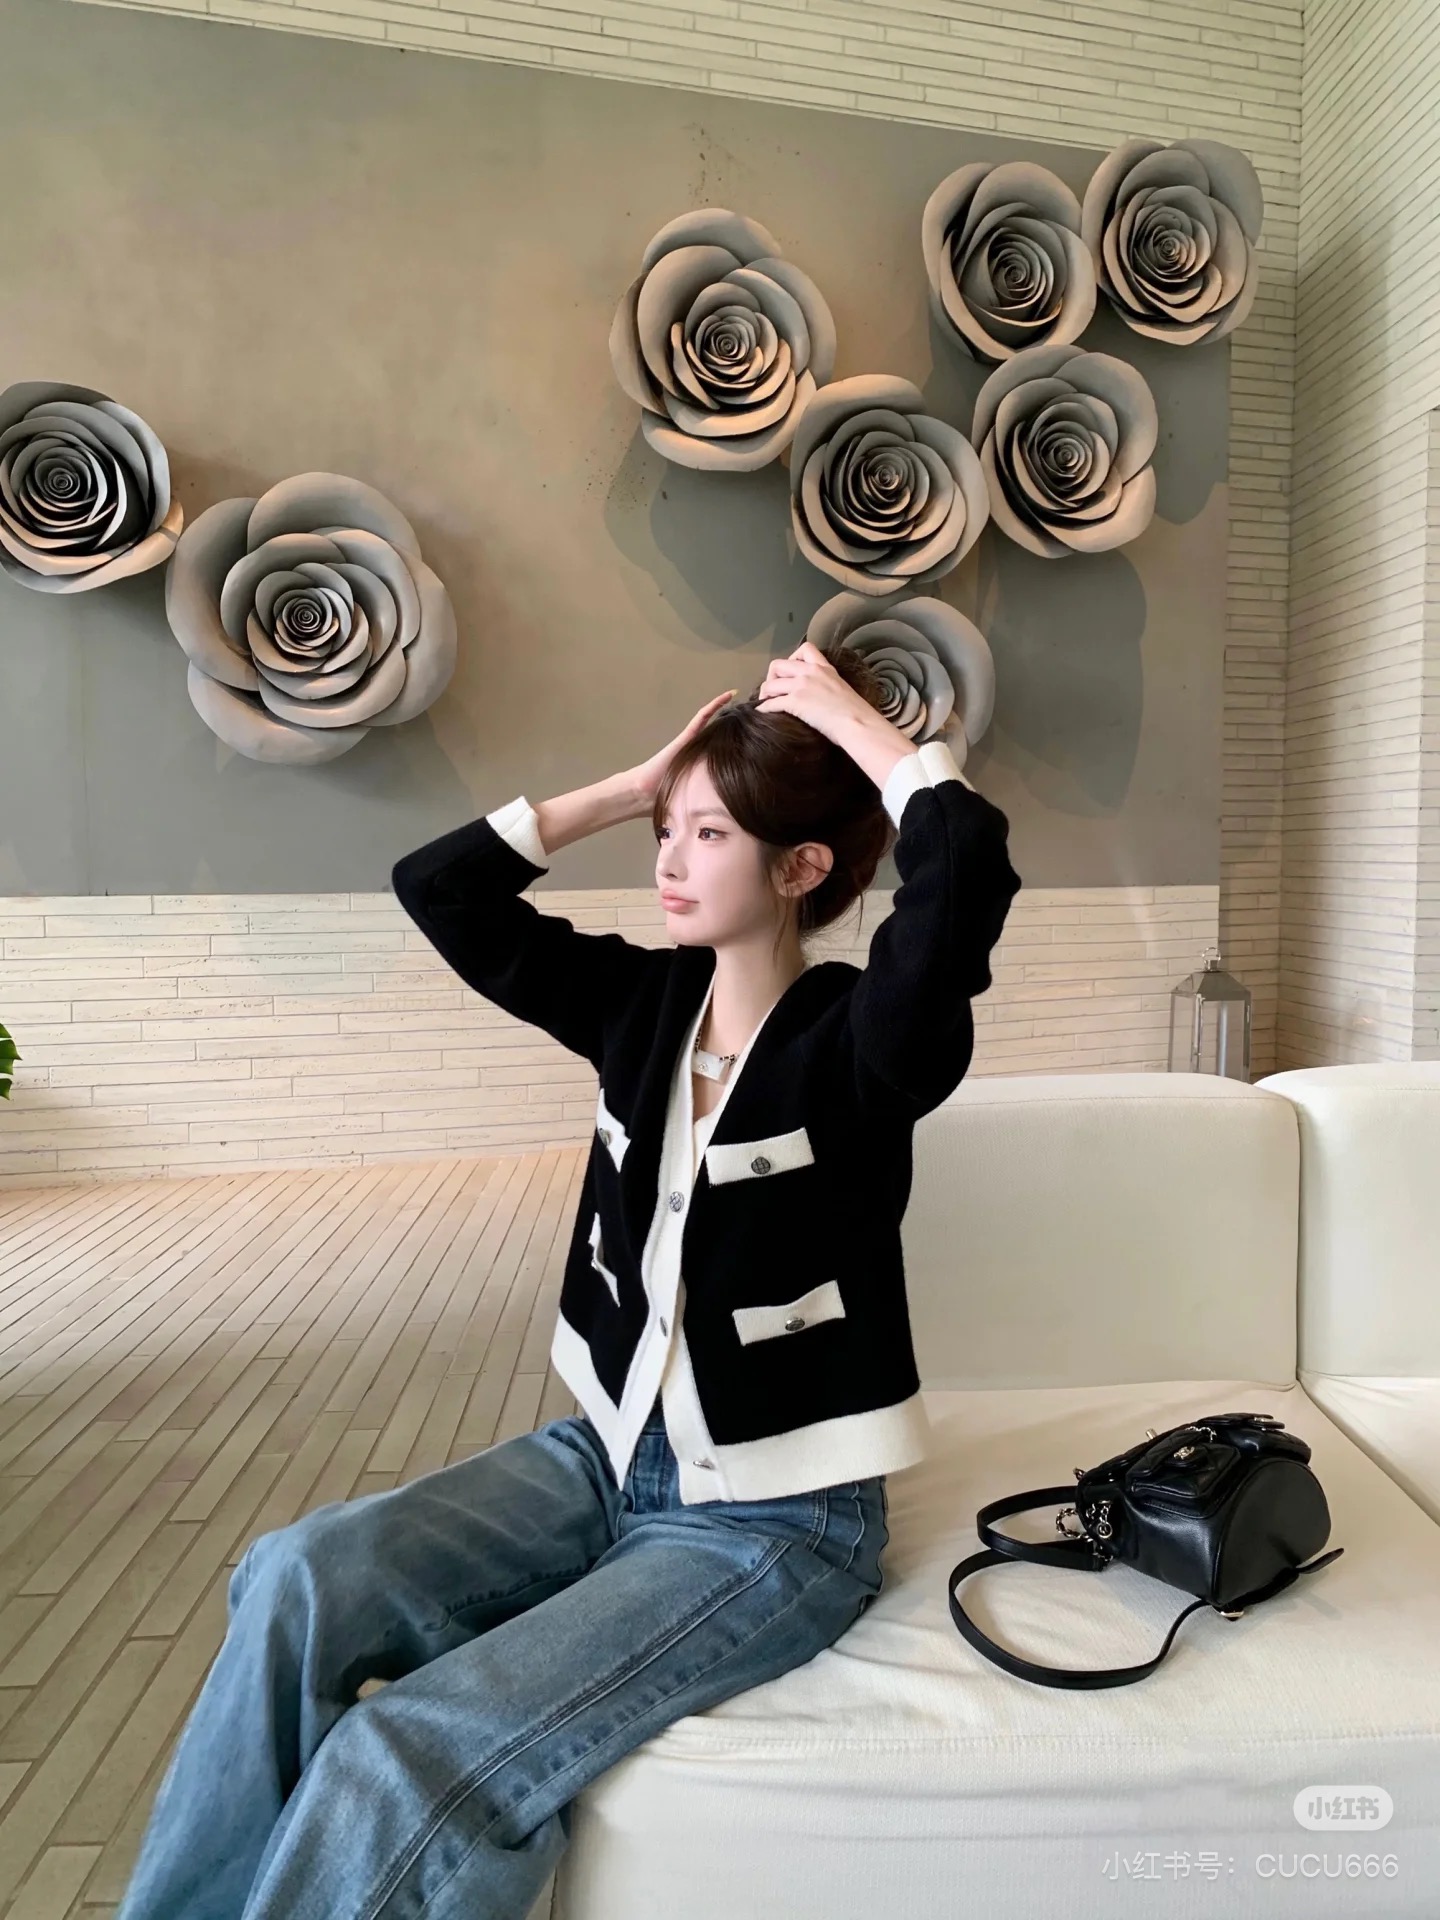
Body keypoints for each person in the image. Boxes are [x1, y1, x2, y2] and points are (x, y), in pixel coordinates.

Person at [115, 640, 1022, 1920]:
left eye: (709, 833)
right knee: (296, 1575)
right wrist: (630, 787)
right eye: (666, 830)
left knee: (402, 1753)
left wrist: (853, 726)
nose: (667, 859)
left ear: (801, 868)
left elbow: (964, 867)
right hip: (603, 1458)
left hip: (774, 1526)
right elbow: (440, 889)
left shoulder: (862, 1050)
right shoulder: (637, 1006)